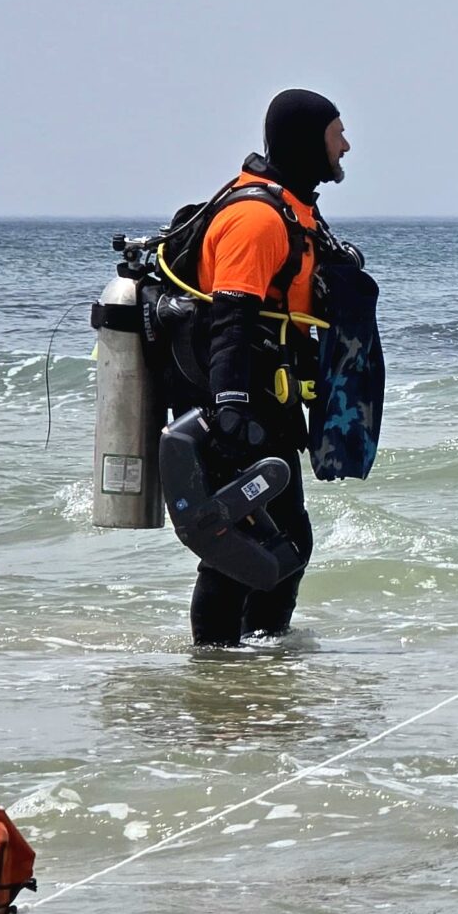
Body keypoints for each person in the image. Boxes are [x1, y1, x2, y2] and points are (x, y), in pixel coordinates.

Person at [188, 87, 351, 646]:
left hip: (272, 403)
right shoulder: (256, 219)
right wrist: (230, 411)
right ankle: (216, 664)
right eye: (337, 134)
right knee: (238, 542)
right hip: (243, 407)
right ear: (308, 142)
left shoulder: (295, 210)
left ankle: (258, 662)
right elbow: (230, 319)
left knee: (286, 541)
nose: (346, 146)